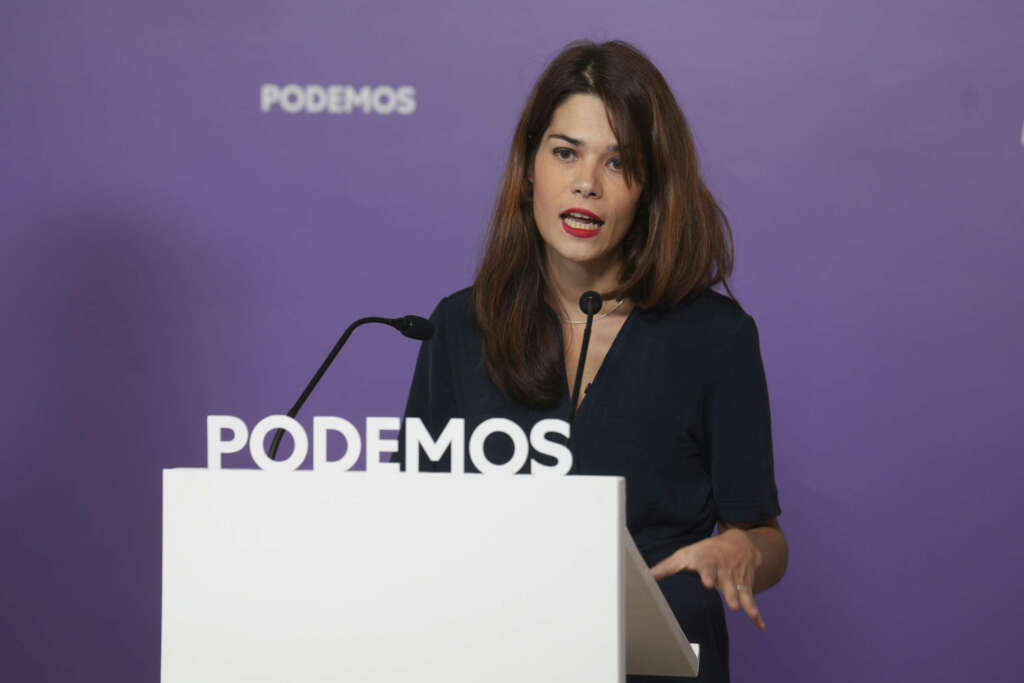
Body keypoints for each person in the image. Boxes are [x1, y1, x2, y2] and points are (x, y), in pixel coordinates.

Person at [401, 40, 787, 682]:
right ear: (529, 168)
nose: (587, 182)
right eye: (565, 152)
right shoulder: (458, 326)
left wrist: (742, 549)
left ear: (650, 186)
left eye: (619, 162)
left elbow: (765, 538)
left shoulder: (715, 337)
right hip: (497, 655)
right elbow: (413, 523)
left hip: (657, 662)